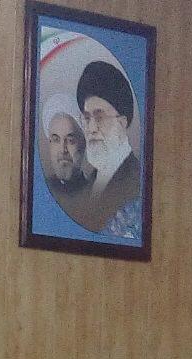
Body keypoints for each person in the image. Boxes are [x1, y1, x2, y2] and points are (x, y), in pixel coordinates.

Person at [73, 60, 142, 237]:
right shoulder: (87, 186)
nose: (91, 128)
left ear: (122, 122)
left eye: (100, 118)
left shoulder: (137, 182)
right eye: (87, 118)